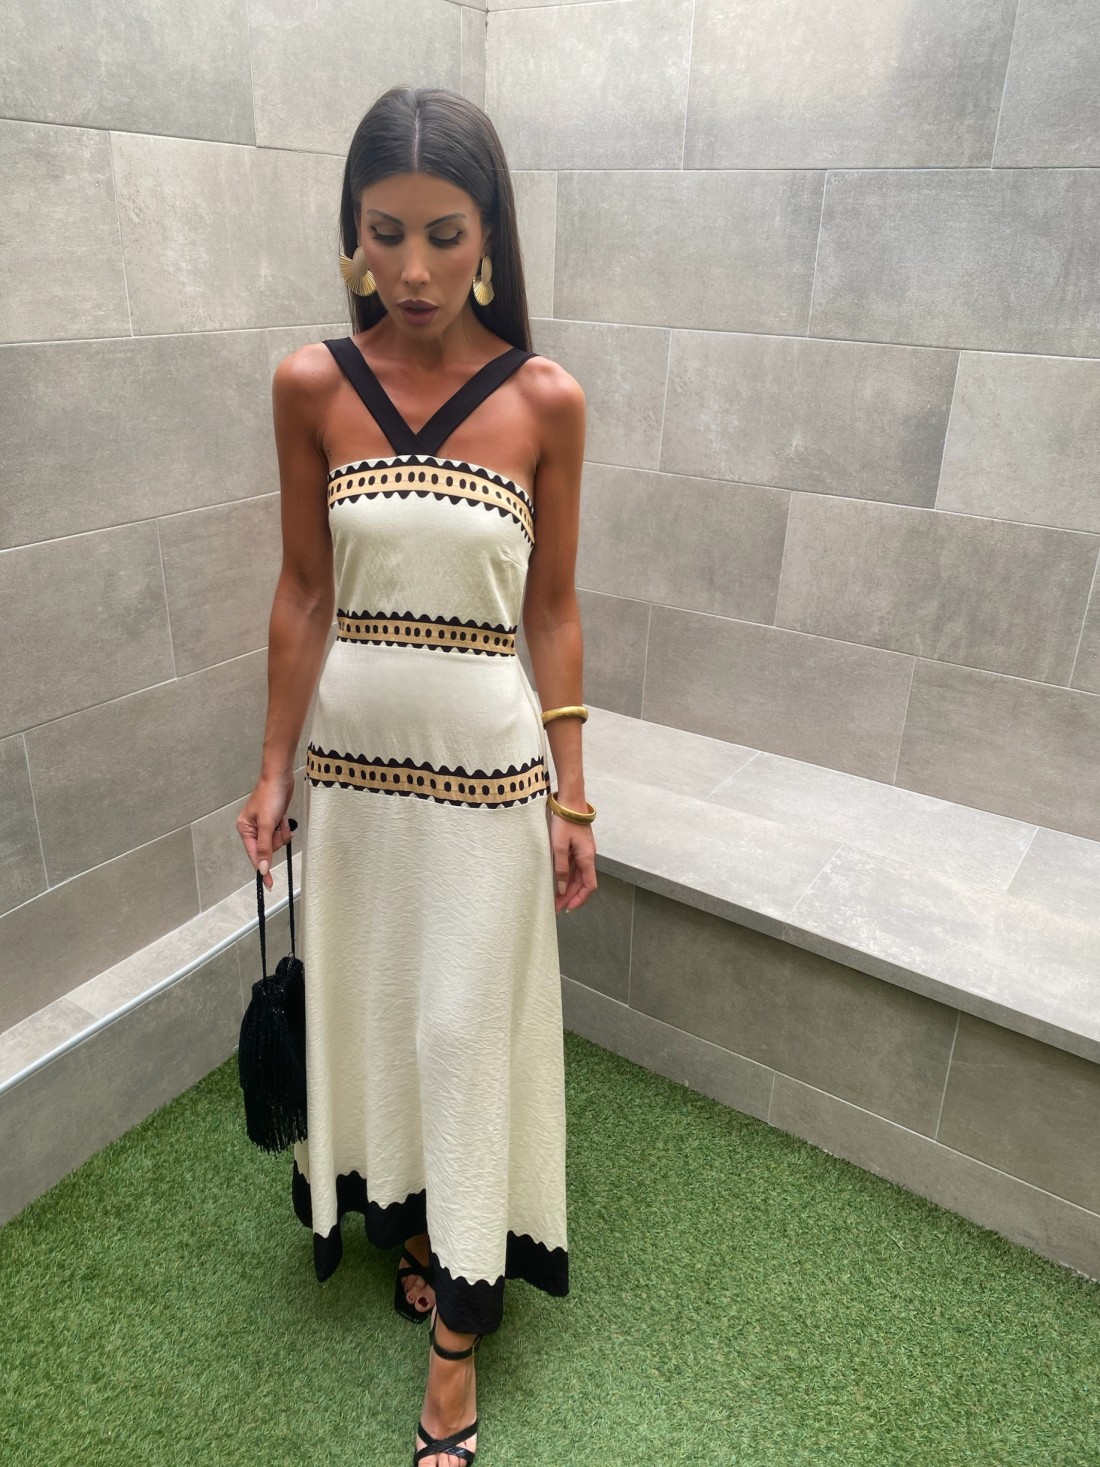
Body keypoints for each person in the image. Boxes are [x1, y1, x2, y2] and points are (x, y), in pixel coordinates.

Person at [236, 84, 597, 1465]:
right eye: (385, 233)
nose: (416, 269)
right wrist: (271, 771)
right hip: (353, 781)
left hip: (489, 784)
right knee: (383, 1016)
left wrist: (574, 793)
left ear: (490, 234)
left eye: (446, 234)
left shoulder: (546, 401)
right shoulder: (310, 385)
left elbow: (553, 610)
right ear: (352, 234)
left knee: (459, 1031)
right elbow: (301, 590)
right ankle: (411, 1222)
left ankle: (456, 1352)